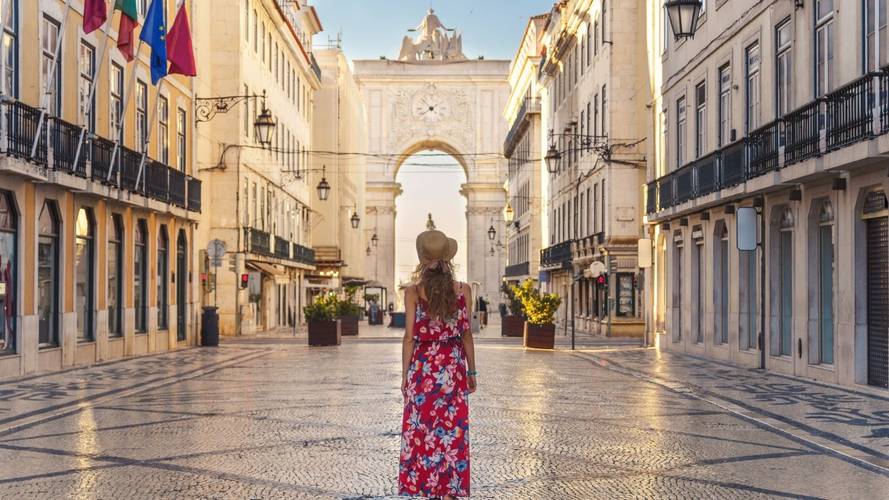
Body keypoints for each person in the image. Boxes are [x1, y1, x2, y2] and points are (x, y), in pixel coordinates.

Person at [399, 230, 476, 499]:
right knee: (452, 429)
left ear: (423, 259)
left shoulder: (413, 292)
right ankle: (450, 489)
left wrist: (405, 374)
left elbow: (409, 336)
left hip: (423, 370)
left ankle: (426, 485)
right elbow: (467, 333)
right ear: (448, 259)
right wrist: (472, 370)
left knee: (424, 428)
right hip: (453, 367)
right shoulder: (462, 289)